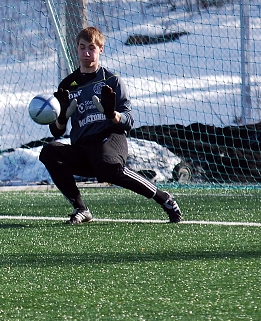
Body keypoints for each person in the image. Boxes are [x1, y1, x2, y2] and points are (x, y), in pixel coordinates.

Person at [39, 26, 183, 224]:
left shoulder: (112, 81)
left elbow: (129, 122)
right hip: (83, 147)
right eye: (82, 47)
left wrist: (112, 114)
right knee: (49, 152)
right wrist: (62, 116)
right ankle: (81, 209)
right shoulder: (67, 85)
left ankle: (163, 198)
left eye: (91, 48)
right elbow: (57, 131)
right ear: (77, 49)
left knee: (106, 166)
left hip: (110, 139)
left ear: (101, 50)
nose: (86, 53)